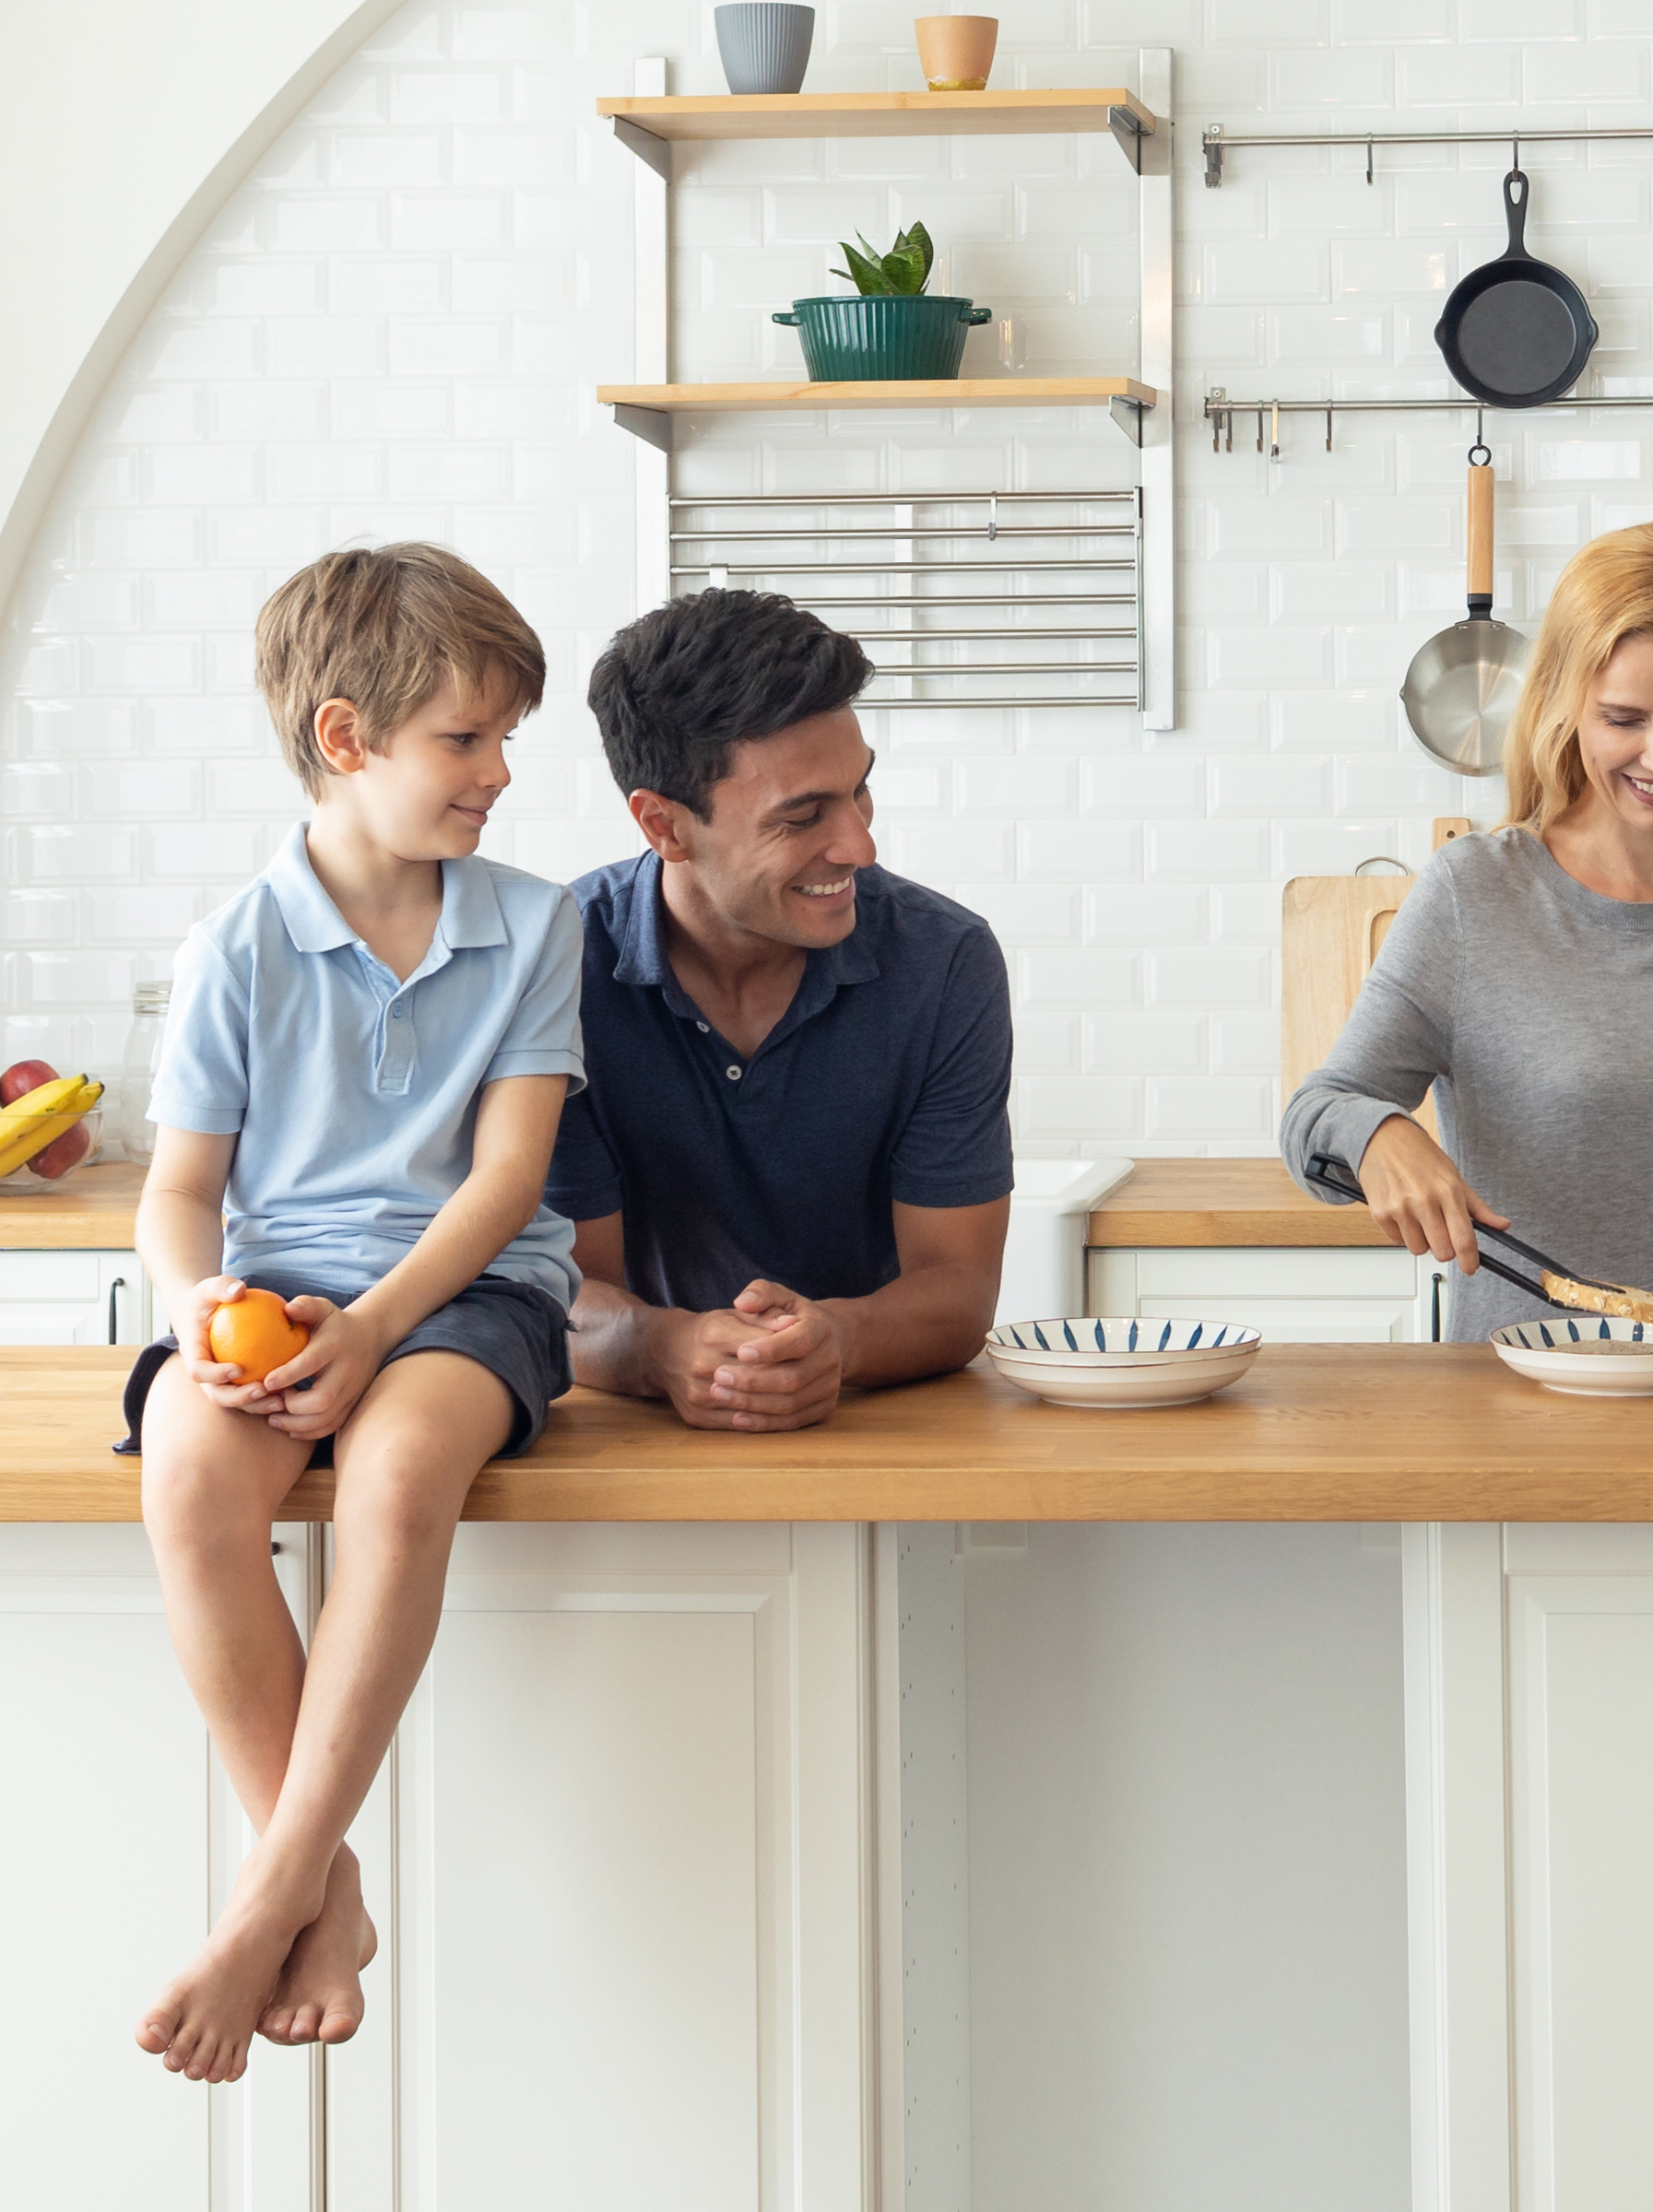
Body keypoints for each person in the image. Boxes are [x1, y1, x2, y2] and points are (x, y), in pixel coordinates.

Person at [120, 543, 587, 2080]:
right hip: (274, 1294)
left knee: (396, 1470)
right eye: (467, 737)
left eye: (505, 736)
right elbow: (181, 1193)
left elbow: (508, 1176)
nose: (500, 771)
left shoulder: (532, 925)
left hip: (466, 1289)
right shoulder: (233, 947)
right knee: (189, 1472)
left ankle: (261, 1899)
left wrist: (376, 1326)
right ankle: (321, 1885)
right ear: (345, 737)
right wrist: (197, 1312)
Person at [1282, 519, 1653, 1335]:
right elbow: (1317, 1115)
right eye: (1624, 718)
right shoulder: (1473, 893)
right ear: (1566, 701)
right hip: (1516, 1405)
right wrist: (1378, 1133)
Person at [550, 590, 1011, 1432]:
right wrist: (663, 1347)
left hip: (872, 1429)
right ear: (664, 824)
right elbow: (558, 1291)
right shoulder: (554, 970)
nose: (859, 847)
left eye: (859, 791)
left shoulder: (945, 963)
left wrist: (839, 1338)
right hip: (630, 1441)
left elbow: (959, 1288)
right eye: (802, 817)